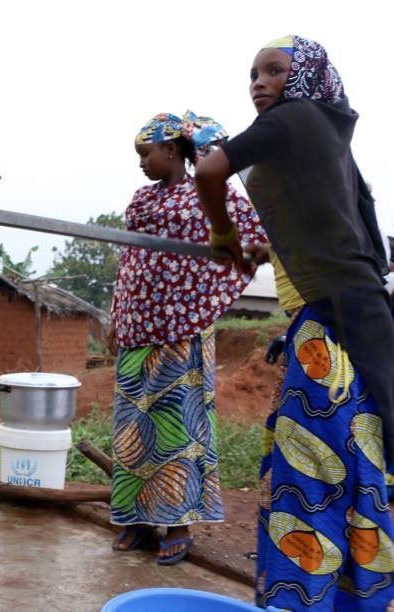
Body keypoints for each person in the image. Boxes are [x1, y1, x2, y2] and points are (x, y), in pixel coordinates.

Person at [196, 35, 394, 610]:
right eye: (253, 74)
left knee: (311, 473)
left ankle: (300, 601)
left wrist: (225, 236)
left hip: (328, 324)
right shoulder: (327, 135)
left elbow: (210, 171)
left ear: (304, 76)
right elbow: (330, 227)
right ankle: (352, 599)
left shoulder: (293, 116)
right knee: (357, 463)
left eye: (273, 71)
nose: (259, 83)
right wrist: (267, 253)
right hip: (355, 315)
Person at [108, 112, 265, 564]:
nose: (141, 164)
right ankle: (136, 519)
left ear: (172, 150)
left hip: (181, 333)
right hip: (139, 332)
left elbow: (250, 242)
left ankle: (178, 522)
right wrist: (118, 317)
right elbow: (129, 263)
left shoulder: (208, 193)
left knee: (178, 430)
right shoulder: (141, 200)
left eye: (146, 154)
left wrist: (204, 289)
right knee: (133, 430)